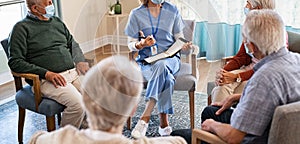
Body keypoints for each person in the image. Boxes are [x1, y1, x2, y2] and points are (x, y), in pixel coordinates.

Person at [29, 55, 187, 144]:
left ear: (86, 101)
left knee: (166, 75)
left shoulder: (49, 139)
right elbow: (179, 141)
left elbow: (36, 139)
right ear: (133, 109)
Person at [199, 10, 300, 143]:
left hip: (257, 138)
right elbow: (278, 97)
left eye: (245, 40)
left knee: (186, 132)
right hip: (289, 134)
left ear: (251, 46)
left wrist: (212, 125)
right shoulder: (297, 59)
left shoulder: (263, 78)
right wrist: (237, 97)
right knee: (210, 111)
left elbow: (233, 137)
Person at [8, 0, 90, 128]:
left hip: (72, 73)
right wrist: (46, 73)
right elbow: (15, 62)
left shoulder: (56, 21)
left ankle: (82, 128)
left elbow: (72, 43)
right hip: (46, 80)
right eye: (49, 2)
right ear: (35, 8)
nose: (53, 5)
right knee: (78, 105)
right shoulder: (21, 28)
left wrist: (80, 60)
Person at [124, 0, 190, 138]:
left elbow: (179, 37)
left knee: (162, 66)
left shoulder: (172, 10)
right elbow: (130, 43)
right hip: (147, 63)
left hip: (171, 59)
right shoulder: (136, 14)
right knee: (165, 77)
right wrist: (141, 45)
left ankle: (144, 118)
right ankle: (164, 124)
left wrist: (184, 44)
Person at [211, 0, 278, 103]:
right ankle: (216, 117)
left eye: (248, 3)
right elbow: (241, 57)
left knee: (224, 88)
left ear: (257, 7)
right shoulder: (250, 25)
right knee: (222, 85)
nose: (245, 6)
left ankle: (219, 118)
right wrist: (223, 72)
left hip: (263, 75)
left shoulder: (276, 32)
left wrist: (237, 77)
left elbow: (267, 67)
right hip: (249, 69)